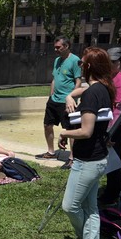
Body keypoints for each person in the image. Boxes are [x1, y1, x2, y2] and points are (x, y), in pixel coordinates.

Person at [58, 47, 115, 239]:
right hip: (98, 158)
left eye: (82, 64)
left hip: (88, 161)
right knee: (90, 207)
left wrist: (63, 132)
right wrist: (70, 95)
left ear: (89, 66)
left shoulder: (93, 93)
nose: (79, 66)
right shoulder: (103, 89)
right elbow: (79, 92)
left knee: (70, 205)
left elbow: (86, 131)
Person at [35, 37, 82, 169]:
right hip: (54, 100)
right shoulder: (57, 60)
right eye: (55, 47)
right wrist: (50, 96)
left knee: (71, 129)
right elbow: (55, 79)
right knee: (47, 125)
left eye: (58, 47)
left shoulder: (75, 60)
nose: (55, 49)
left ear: (66, 46)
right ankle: (51, 152)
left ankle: (72, 158)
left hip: (67, 101)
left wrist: (72, 98)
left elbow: (78, 81)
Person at [99, 47, 121, 204]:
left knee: (112, 157)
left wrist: (109, 129)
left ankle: (113, 191)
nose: (110, 65)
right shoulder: (115, 76)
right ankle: (116, 187)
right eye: (108, 62)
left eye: (113, 62)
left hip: (119, 123)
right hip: (115, 122)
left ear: (120, 62)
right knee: (113, 156)